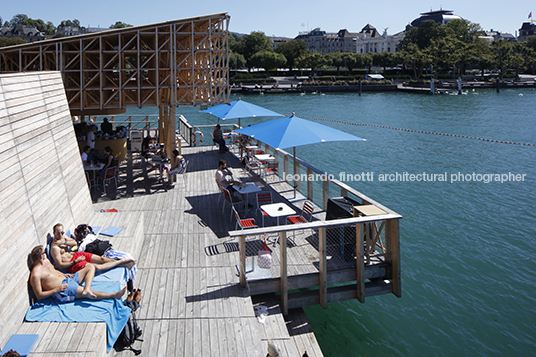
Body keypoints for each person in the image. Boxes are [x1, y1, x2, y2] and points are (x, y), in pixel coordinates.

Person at [29, 245, 126, 302]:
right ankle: (114, 295)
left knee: (90, 266)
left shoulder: (46, 262)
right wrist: (56, 290)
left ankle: (87, 289)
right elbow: (39, 295)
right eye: (44, 252)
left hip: (67, 278)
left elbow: (54, 271)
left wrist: (64, 274)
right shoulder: (35, 275)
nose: (46, 253)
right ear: (41, 257)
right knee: (89, 293)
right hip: (63, 289)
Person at [50, 223, 135, 274]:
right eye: (58, 234)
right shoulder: (54, 248)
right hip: (72, 264)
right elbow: (60, 265)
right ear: (54, 233)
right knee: (97, 267)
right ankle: (121, 262)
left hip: (77, 255)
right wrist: (75, 261)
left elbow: (74, 243)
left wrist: (64, 242)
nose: (61, 235)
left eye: (62, 232)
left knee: (101, 259)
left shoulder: (62, 238)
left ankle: (122, 262)